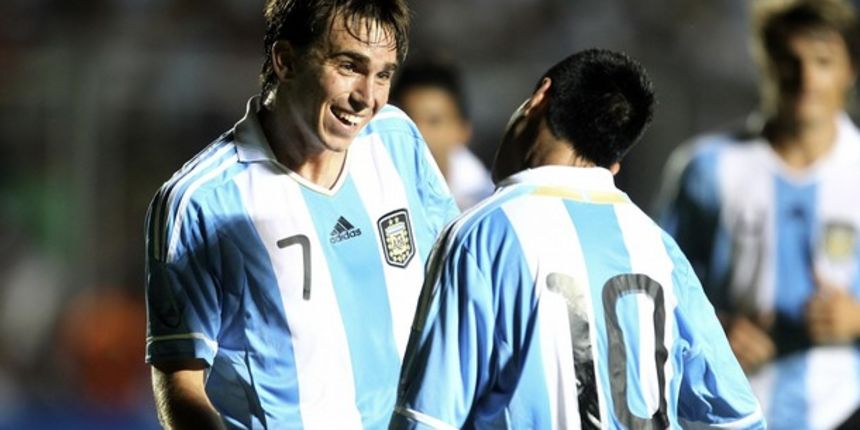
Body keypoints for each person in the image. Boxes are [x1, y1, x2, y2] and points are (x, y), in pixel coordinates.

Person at [390, 49, 764, 430]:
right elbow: (740, 416)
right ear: (612, 163)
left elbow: (427, 419)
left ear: (540, 97)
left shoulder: (482, 234)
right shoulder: (658, 247)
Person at [144, 1, 459, 429]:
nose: (368, 97)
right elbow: (182, 382)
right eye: (350, 66)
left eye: (383, 74)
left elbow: (452, 290)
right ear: (287, 60)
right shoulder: (201, 203)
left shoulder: (397, 140)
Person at [657, 0, 860, 428]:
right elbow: (655, 291)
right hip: (733, 409)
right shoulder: (707, 168)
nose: (806, 79)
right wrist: (714, 330)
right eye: (790, 61)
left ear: (850, 71)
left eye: (823, 62)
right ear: (766, 64)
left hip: (845, 407)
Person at [390, 60, 494, 210]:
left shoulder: (485, 200)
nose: (419, 132)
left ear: (463, 131)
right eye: (409, 119)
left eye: (434, 121)